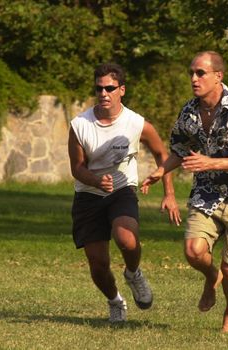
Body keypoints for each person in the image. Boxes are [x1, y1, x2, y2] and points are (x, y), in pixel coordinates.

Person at [141, 51, 228, 334]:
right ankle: (210, 276)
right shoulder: (190, 111)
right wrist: (161, 170)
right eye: (191, 72)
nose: (194, 78)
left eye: (200, 73)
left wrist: (209, 162)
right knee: (194, 251)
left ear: (218, 76)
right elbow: (180, 148)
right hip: (208, 192)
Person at [68, 62, 181, 323]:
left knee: (126, 238)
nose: (104, 93)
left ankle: (133, 273)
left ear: (122, 90)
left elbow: (163, 154)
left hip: (122, 189)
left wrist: (169, 193)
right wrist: (96, 181)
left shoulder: (136, 123)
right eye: (99, 88)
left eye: (110, 88)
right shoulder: (80, 125)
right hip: (88, 195)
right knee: (98, 264)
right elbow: (77, 167)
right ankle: (115, 301)